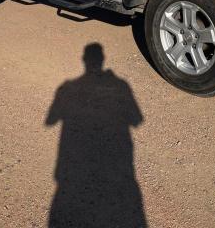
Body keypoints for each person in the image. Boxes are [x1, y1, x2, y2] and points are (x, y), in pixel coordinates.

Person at [45, 43, 146, 227]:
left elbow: (50, 120)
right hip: (117, 165)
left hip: (74, 170)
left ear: (84, 60)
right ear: (102, 60)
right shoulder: (121, 85)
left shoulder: (67, 88)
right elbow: (136, 119)